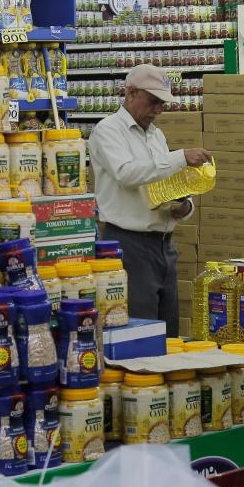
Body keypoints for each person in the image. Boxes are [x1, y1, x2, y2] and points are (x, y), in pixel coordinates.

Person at [88, 64, 212, 338]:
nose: (158, 109)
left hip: (164, 246)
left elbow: (165, 182)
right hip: (129, 245)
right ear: (131, 93)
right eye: (153, 101)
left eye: (162, 103)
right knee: (140, 333)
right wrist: (180, 157)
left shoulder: (156, 135)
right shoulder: (107, 131)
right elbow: (126, 173)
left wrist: (185, 205)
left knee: (168, 332)